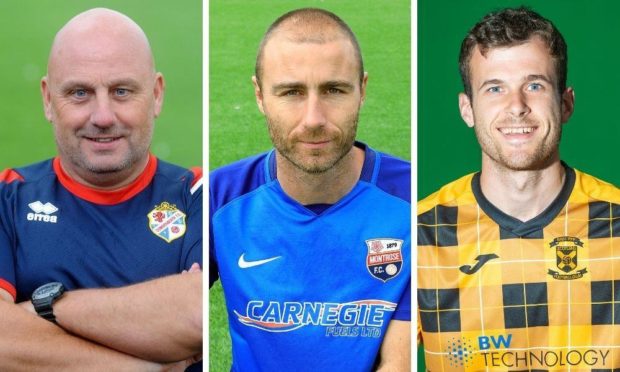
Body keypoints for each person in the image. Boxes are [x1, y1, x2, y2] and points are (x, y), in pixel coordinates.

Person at [418, 7, 620, 371]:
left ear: (566, 102)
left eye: (535, 85)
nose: (516, 107)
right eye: (495, 88)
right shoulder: (420, 234)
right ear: (467, 109)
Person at [0, 8, 202, 371]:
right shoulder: (7, 197)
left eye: (122, 91)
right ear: (48, 100)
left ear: (156, 95)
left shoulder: (199, 195)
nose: (103, 116)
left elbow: (195, 312)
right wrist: (146, 367)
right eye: (80, 93)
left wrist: (47, 307)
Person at [209, 7, 411, 371]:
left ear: (362, 90)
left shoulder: (413, 202)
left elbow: (398, 364)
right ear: (259, 96)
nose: (314, 119)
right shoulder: (218, 198)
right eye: (291, 92)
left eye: (334, 90)